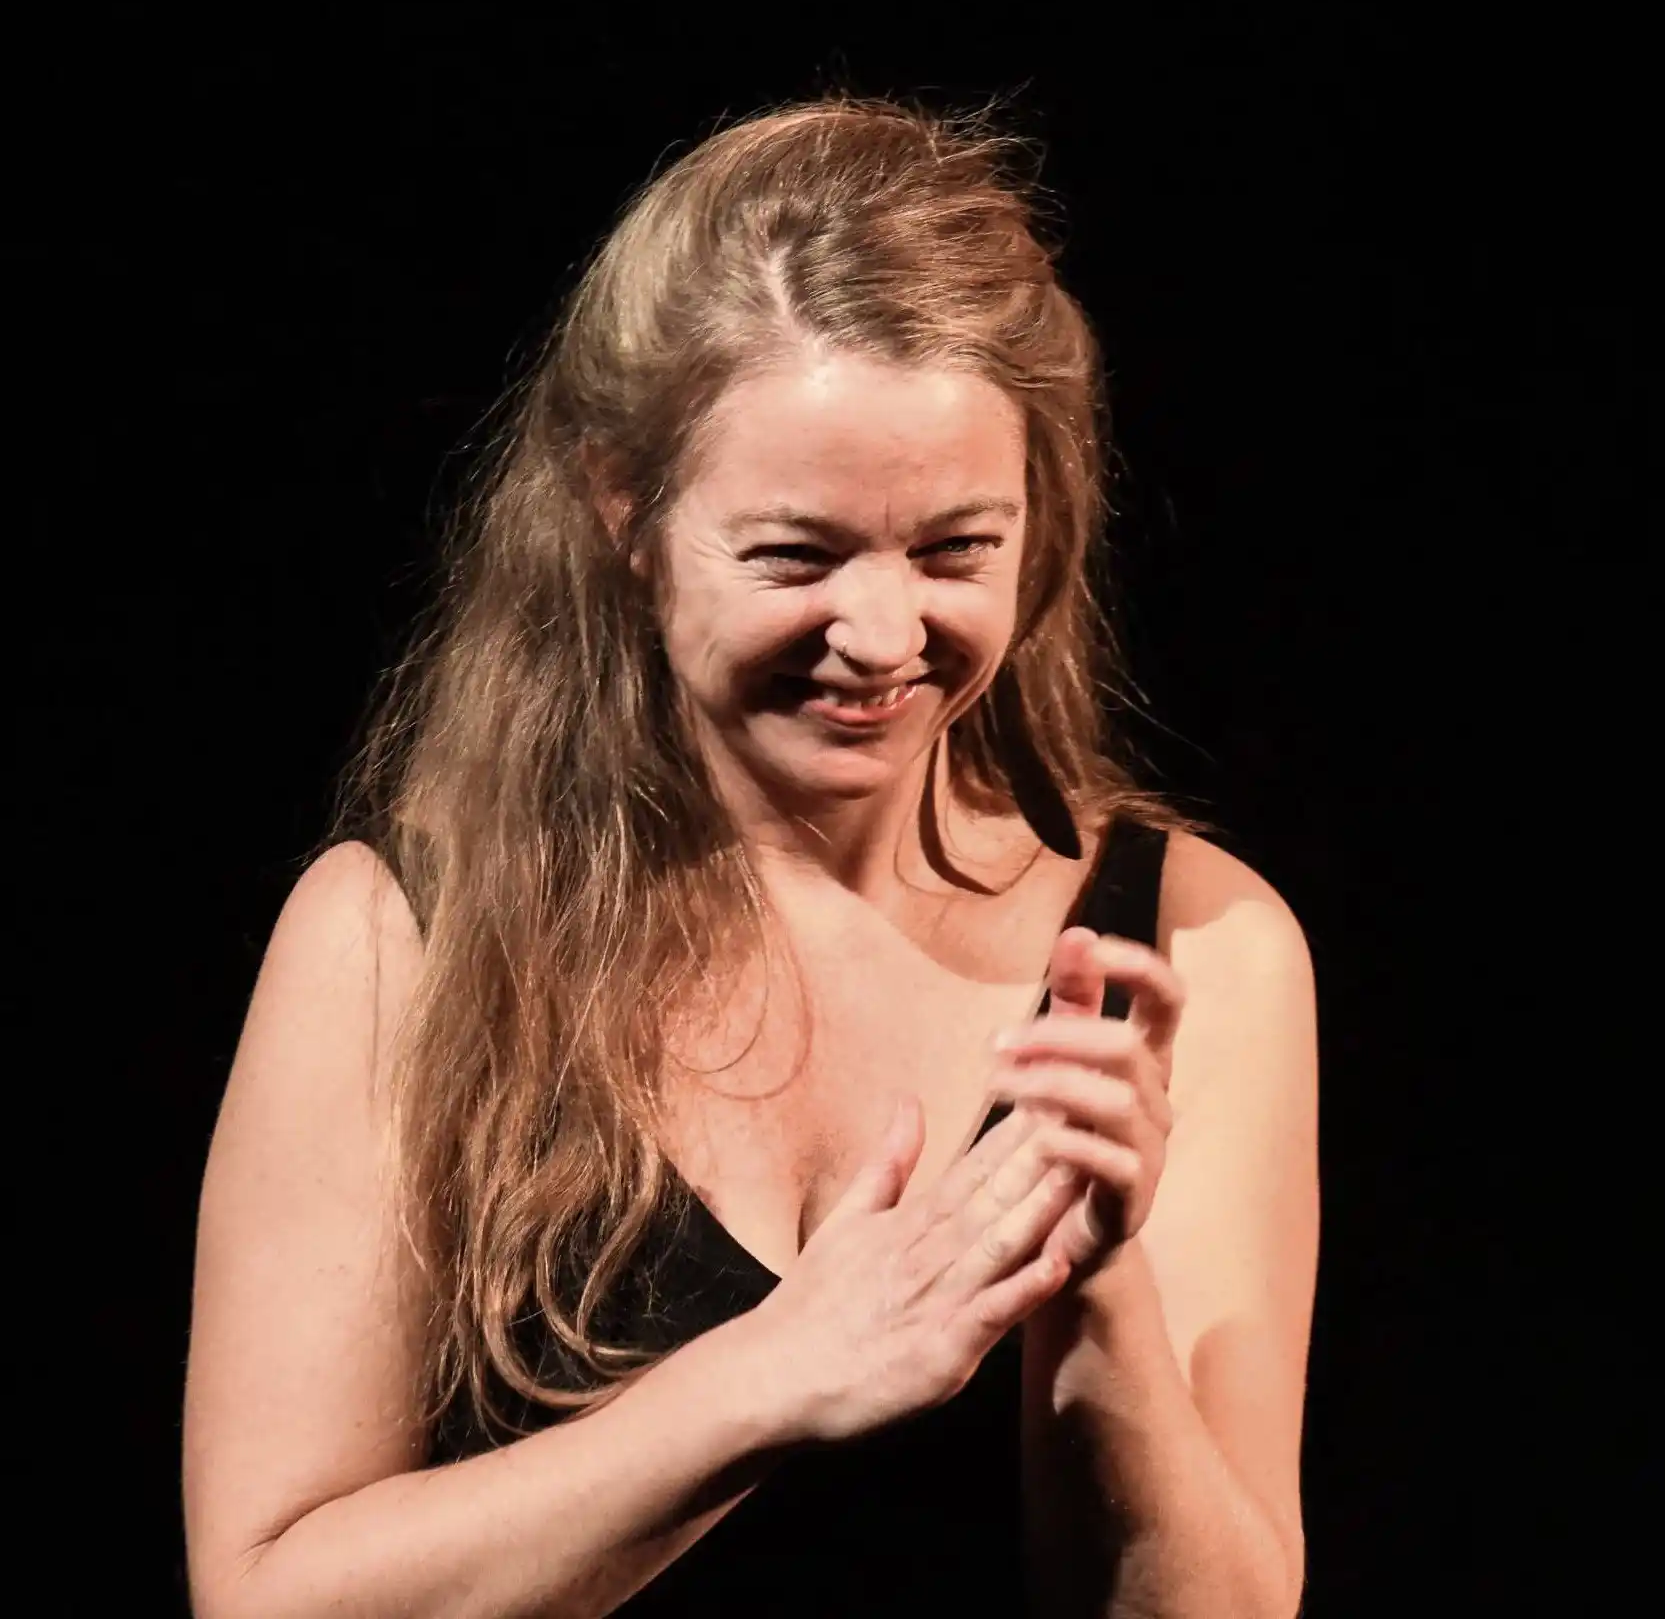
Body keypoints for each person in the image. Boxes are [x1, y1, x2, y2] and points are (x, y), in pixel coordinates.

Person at [183, 96, 1319, 1618]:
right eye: (797, 555)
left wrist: (1095, 1296)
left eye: (957, 549)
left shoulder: (1194, 949)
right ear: (624, 511)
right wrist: (766, 1383)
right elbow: (269, 1595)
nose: (884, 634)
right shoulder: (401, 941)